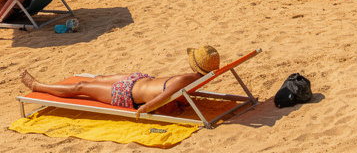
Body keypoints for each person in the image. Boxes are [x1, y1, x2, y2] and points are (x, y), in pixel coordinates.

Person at [19, 46, 222, 113]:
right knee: (97, 79)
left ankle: (38, 85)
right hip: (137, 81)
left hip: (127, 93)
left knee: (82, 86)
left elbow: (163, 98)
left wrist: (141, 111)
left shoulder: (187, 80)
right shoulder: (195, 80)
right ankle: (46, 84)